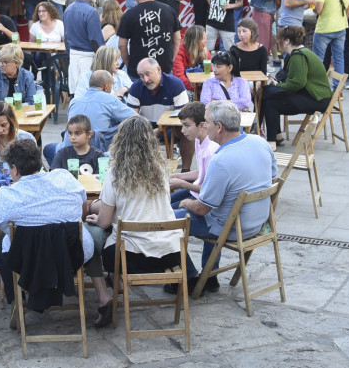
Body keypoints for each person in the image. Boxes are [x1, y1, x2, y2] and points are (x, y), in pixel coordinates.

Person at [0, 138, 102, 320]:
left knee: (3, 245)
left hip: (31, 259)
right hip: (73, 254)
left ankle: (15, 301)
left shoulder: (9, 195)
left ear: (14, 169)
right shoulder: (64, 176)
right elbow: (83, 207)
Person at [85, 115, 192, 309]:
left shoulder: (115, 172)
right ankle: (116, 280)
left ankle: (114, 280)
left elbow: (105, 221)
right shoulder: (161, 169)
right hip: (171, 252)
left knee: (102, 235)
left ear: (121, 141)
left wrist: (96, 217)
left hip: (130, 256)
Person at [172, 101, 278, 294]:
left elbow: (202, 209)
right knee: (215, 208)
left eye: (206, 122)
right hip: (260, 223)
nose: (205, 125)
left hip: (232, 227)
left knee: (165, 220)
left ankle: (191, 277)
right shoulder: (260, 143)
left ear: (219, 127)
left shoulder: (221, 160)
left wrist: (184, 202)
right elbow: (272, 179)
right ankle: (210, 277)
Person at [261, 26, 333, 148]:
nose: (278, 43)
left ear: (287, 41)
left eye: (280, 40)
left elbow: (297, 83)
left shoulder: (298, 56)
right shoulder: (298, 53)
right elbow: (290, 79)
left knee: (270, 101)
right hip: (313, 95)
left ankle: (271, 140)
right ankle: (275, 136)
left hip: (317, 100)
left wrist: (278, 85)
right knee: (268, 94)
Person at [118, 0, 182, 80]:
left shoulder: (129, 15)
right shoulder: (169, 10)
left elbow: (122, 45)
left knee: (139, 97)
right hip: (164, 70)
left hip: (139, 72)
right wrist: (171, 60)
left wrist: (130, 64)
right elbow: (177, 38)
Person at [57, 70, 135, 154]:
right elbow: (136, 118)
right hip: (96, 151)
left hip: (68, 150)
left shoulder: (74, 101)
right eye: (111, 85)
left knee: (48, 149)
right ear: (106, 87)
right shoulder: (110, 99)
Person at [311, 0, 349, 87]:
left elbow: (318, 10)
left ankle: (317, 86)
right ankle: (338, 89)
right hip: (340, 28)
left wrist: (312, 6)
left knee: (318, 58)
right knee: (338, 59)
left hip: (324, 28)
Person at [168, 102, 218, 205]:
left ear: (202, 125)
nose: (182, 130)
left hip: (203, 200)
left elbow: (209, 191)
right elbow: (201, 172)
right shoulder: (198, 140)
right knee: (164, 203)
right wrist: (176, 176)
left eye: (186, 125)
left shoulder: (210, 150)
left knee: (166, 212)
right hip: (196, 192)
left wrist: (182, 184)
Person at [62, 0, 104, 93]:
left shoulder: (68, 10)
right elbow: (96, 41)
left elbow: (66, 39)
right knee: (90, 95)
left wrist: (72, 55)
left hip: (74, 59)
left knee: (76, 96)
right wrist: (104, 62)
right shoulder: (92, 12)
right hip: (88, 60)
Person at [173, 24, 210, 93]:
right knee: (189, 95)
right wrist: (196, 90)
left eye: (206, 38)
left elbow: (210, 72)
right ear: (195, 41)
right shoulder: (179, 52)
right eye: (203, 38)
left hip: (202, 87)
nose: (206, 41)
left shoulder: (205, 51)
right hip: (185, 87)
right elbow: (179, 77)